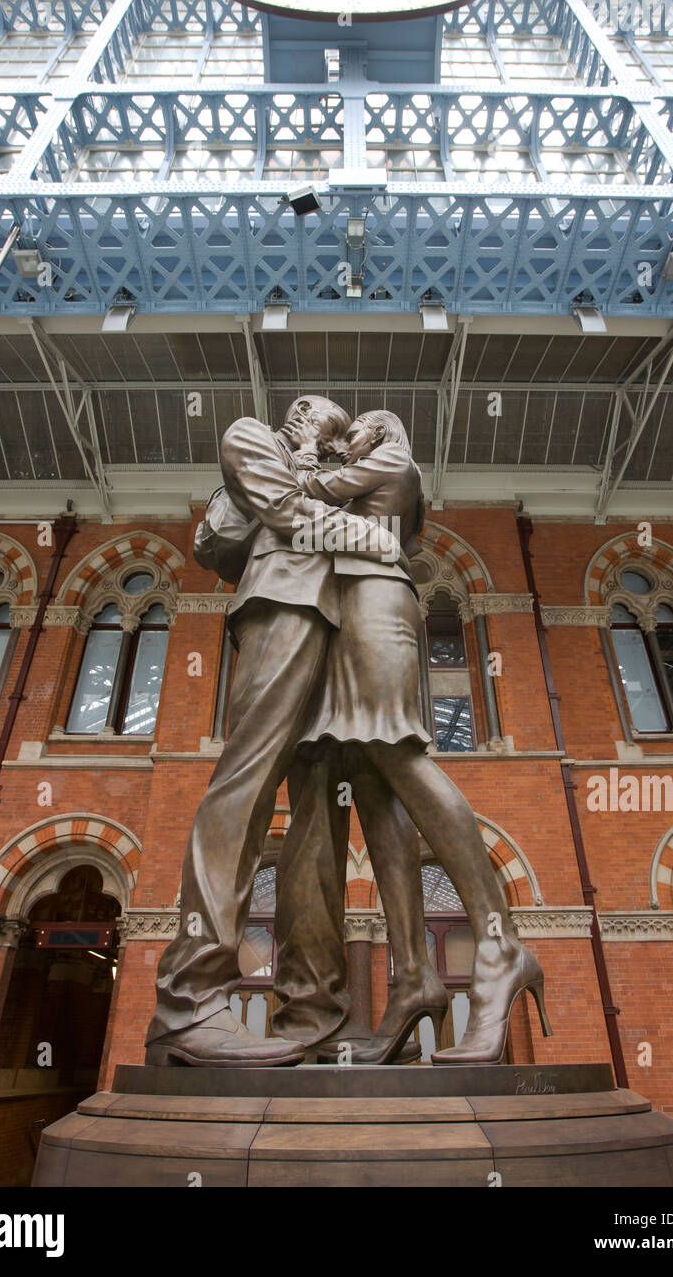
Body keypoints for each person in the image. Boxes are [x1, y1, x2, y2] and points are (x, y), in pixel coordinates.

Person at [274, 409, 550, 1064]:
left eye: (358, 427)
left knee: (396, 749)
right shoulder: (374, 477)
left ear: (385, 430)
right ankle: (412, 977)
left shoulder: (391, 462)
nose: (349, 438)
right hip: (353, 612)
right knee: (373, 774)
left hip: (376, 607)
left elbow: (299, 496)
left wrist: (298, 452)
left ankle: (499, 945)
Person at [145, 396, 405, 1066]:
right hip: (283, 605)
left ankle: (313, 1011)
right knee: (245, 785)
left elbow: (402, 516)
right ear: (296, 413)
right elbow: (228, 538)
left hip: (348, 632)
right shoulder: (250, 437)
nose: (332, 427)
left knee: (321, 818)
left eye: (342, 424)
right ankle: (189, 999)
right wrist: (354, 526)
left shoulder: (349, 470)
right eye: (322, 413)